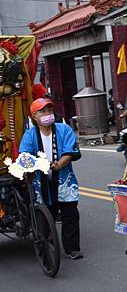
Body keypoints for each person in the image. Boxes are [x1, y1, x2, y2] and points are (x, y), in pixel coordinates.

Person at [19, 98, 83, 260]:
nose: (47, 114)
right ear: (34, 116)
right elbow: (24, 156)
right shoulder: (30, 135)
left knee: (70, 213)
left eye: (49, 110)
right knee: (46, 216)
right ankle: (47, 246)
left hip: (63, 179)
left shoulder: (64, 129)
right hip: (40, 182)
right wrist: (39, 164)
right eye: (43, 111)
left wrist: (58, 165)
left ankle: (72, 248)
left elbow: (70, 152)